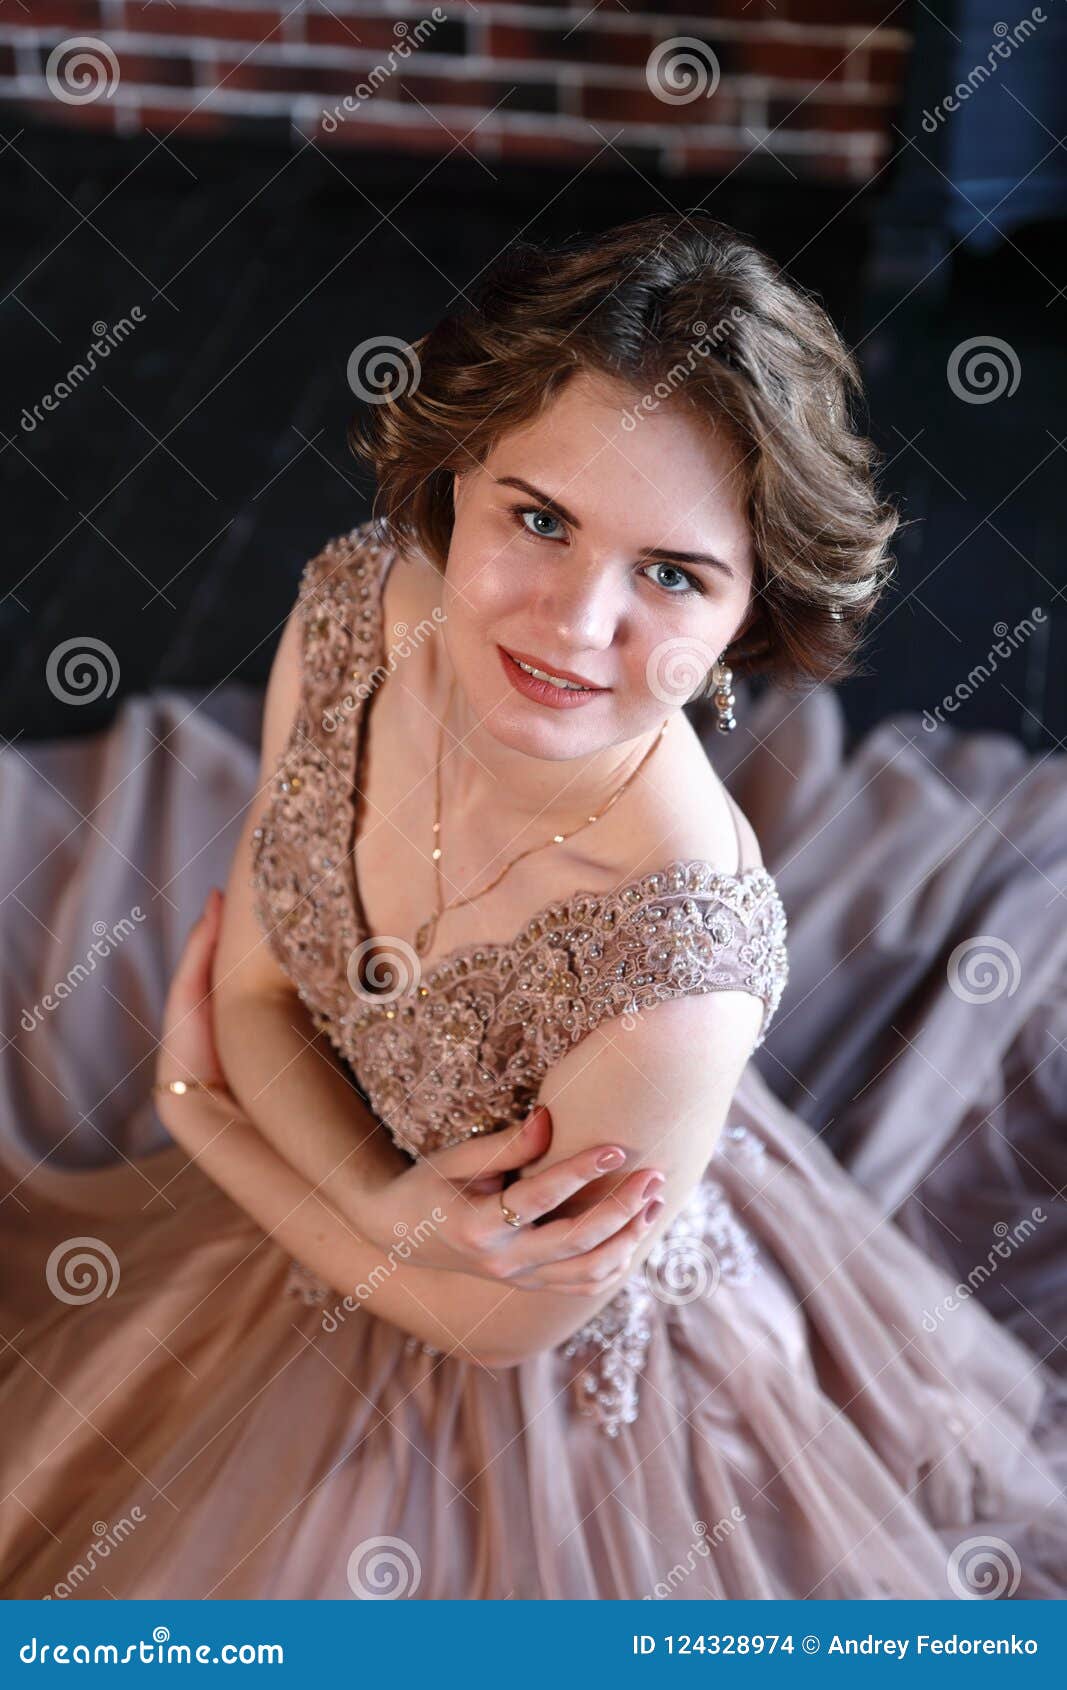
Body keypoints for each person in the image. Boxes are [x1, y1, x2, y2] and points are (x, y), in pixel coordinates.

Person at [1, 214, 1064, 1602]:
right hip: (344, 1221)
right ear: (456, 480)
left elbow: (493, 1322)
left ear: (750, 616)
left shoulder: (681, 949)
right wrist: (378, 1195)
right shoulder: (356, 615)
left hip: (578, 1389)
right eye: (540, 518)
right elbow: (259, 986)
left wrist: (210, 1116)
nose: (572, 625)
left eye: (671, 572)